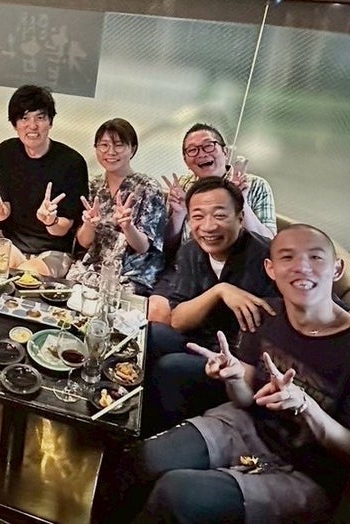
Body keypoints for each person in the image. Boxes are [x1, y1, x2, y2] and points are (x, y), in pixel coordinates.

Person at [111, 224, 350, 523]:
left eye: (315, 257)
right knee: (141, 459)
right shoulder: (267, 313)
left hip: (307, 471)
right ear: (271, 268)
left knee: (178, 493)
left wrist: (306, 407)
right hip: (247, 427)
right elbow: (244, 399)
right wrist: (235, 378)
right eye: (287, 257)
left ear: (336, 269)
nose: (302, 267)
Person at [143, 177, 279, 433]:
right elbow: (178, 320)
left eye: (219, 215)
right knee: (151, 334)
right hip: (205, 345)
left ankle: (162, 432)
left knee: (171, 367)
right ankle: (133, 412)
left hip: (242, 365)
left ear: (240, 217)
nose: (208, 226)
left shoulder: (267, 259)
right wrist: (220, 290)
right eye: (198, 216)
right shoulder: (191, 252)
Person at [0, 84, 88, 277]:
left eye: (40, 118)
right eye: (24, 118)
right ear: (15, 124)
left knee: (27, 278)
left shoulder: (72, 163)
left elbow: (63, 228)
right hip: (11, 244)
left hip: (53, 250)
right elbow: (4, 211)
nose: (32, 126)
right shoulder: (6, 152)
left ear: (50, 122)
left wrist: (51, 221)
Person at [66, 118, 166, 296]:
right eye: (104, 145)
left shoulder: (148, 188)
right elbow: (84, 242)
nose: (111, 152)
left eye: (119, 145)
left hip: (132, 275)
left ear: (132, 149)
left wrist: (128, 226)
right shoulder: (93, 186)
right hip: (92, 269)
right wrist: (89, 224)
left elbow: (143, 247)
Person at [162, 122, 277, 254]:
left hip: (240, 265)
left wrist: (241, 202)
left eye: (208, 146)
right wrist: (179, 214)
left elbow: (269, 243)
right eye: (192, 150)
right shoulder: (182, 185)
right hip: (187, 264)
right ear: (185, 161)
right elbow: (166, 247)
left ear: (225, 152)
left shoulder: (255, 185)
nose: (201, 154)